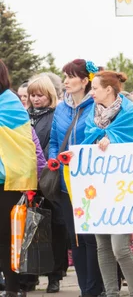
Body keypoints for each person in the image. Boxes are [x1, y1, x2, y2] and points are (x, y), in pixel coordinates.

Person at [84, 71, 133, 297]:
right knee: (102, 246)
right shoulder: (91, 114)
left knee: (120, 248)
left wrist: (113, 140)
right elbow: (85, 139)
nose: (91, 92)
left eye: (95, 88)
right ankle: (112, 293)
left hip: (124, 188)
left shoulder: (130, 114)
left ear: (108, 90)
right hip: (98, 187)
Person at [49, 59, 103, 297]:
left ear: (85, 81)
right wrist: (55, 158)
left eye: (71, 76)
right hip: (65, 183)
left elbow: (101, 140)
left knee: (92, 239)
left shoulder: (97, 106)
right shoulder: (61, 107)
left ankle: (95, 288)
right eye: (65, 76)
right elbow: (53, 140)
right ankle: (85, 289)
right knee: (76, 240)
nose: (66, 81)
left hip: (91, 184)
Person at [0, 60, 38, 297]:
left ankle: (14, 287)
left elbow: (22, 144)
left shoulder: (10, 102)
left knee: (6, 237)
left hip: (7, 180)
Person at [26, 75, 68, 293]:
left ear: (49, 95)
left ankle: (55, 275)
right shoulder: (25, 116)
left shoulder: (54, 117)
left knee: (54, 229)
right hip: (28, 179)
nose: (35, 99)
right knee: (30, 229)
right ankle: (30, 273)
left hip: (49, 179)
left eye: (39, 94)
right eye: (32, 95)